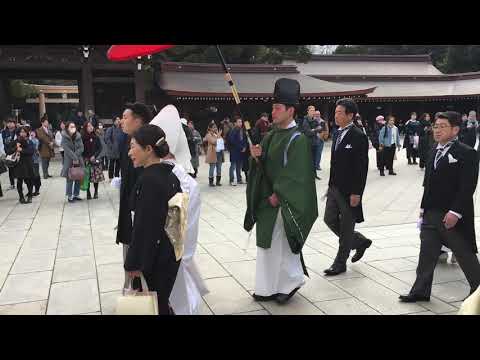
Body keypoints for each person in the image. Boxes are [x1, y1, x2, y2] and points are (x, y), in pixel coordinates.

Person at [245, 78, 318, 304]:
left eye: (277, 108)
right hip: (267, 200)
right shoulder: (271, 135)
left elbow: (298, 175)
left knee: (283, 244)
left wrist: (281, 194)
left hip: (281, 201)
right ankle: (266, 287)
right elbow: (261, 166)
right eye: (273, 107)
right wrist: (255, 156)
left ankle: (290, 282)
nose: (273, 112)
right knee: (266, 243)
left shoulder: (299, 139)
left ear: (291, 110)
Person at [399, 111, 480, 303]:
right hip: (431, 212)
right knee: (426, 252)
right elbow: (428, 183)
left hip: (452, 214)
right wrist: (422, 209)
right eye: (436, 126)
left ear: (455, 129)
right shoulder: (433, 150)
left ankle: (477, 291)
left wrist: (455, 212)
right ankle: (420, 290)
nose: (437, 130)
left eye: (443, 126)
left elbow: (467, 186)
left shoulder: (467, 153)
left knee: (463, 252)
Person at [150, 105, 209, 315]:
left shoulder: (179, 181)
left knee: (177, 283)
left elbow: (175, 235)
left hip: (170, 253)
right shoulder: (170, 176)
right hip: (170, 252)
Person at [124, 124, 182, 315]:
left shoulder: (149, 180)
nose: (129, 152)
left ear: (149, 149)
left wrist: (133, 264)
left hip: (154, 258)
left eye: (133, 146)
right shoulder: (169, 176)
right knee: (161, 303)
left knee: (154, 306)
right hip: (169, 253)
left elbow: (145, 227)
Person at [323, 98, 372, 276]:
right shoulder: (337, 133)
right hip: (335, 187)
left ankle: (340, 262)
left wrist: (356, 192)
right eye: (335, 112)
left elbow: (361, 168)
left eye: (339, 113)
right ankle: (359, 241)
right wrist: (329, 186)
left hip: (350, 190)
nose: (336, 116)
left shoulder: (358, 136)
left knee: (346, 227)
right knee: (329, 219)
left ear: (350, 115)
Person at [116, 102, 153, 289]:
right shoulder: (127, 141)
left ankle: (138, 292)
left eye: (125, 117)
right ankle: (131, 288)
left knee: (138, 254)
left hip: (141, 211)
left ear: (138, 120)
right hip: (128, 208)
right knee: (128, 249)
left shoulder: (148, 145)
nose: (121, 121)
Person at [6, 127, 35, 204]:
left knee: (29, 181)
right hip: (18, 164)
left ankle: (30, 196)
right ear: (18, 133)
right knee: (19, 181)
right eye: (21, 132)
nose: (23, 133)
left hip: (28, 163)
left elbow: (31, 151)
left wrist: (21, 150)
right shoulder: (15, 142)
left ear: (27, 133)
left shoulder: (29, 141)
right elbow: (8, 152)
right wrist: (16, 147)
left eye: (24, 132)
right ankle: (21, 197)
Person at [61, 121, 84, 203]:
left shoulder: (78, 135)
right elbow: (66, 148)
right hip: (69, 160)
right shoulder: (64, 136)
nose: (73, 128)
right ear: (67, 128)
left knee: (78, 177)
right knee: (70, 178)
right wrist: (74, 157)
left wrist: (76, 157)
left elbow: (81, 147)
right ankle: (69, 195)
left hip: (78, 160)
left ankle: (76, 194)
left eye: (74, 126)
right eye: (71, 126)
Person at [82, 121, 104, 200]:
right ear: (85, 128)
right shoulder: (83, 138)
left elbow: (100, 148)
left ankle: (96, 192)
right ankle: (88, 193)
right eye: (88, 126)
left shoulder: (96, 137)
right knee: (87, 176)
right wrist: (86, 157)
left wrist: (94, 156)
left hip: (95, 159)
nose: (90, 127)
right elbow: (81, 149)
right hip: (86, 159)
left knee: (96, 177)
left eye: (91, 125)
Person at [302, 108, 324, 180]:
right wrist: (315, 129)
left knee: (314, 160)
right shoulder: (305, 120)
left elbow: (321, 128)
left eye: (313, 111)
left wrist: (314, 130)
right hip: (308, 143)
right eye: (311, 110)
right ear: (308, 111)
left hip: (315, 142)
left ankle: (314, 175)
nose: (313, 112)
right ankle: (307, 176)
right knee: (308, 161)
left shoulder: (314, 120)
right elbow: (308, 132)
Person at [228, 116, 247, 186]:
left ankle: (239, 179)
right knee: (233, 165)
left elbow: (244, 139)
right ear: (235, 123)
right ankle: (231, 180)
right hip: (234, 151)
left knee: (239, 165)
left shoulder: (242, 130)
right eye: (239, 122)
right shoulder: (233, 130)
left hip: (241, 151)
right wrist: (241, 147)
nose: (240, 123)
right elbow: (233, 141)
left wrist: (245, 146)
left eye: (241, 122)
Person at [204, 122, 224, 187]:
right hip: (213, 153)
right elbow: (213, 142)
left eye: (215, 127)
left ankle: (218, 181)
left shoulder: (216, 134)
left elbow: (221, 141)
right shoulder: (208, 135)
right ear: (210, 128)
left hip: (219, 153)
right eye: (214, 127)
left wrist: (219, 136)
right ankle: (211, 182)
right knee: (212, 168)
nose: (215, 128)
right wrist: (218, 136)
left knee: (219, 168)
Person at [36, 115, 55, 179]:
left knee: (47, 161)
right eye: (46, 122)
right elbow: (42, 137)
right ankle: (45, 174)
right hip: (43, 148)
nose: (47, 123)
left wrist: (52, 142)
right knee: (44, 161)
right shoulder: (39, 130)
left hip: (49, 148)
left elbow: (52, 136)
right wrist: (49, 142)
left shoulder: (49, 129)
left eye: (47, 122)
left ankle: (47, 173)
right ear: (42, 123)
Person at [2, 118, 17, 189]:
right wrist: (4, 152)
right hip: (8, 152)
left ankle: (19, 183)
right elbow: (2, 142)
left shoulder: (17, 131)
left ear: (14, 123)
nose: (10, 124)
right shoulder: (4, 132)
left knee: (18, 168)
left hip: (17, 152)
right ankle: (12, 184)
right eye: (8, 123)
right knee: (10, 169)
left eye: (11, 122)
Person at [29, 129, 42, 196]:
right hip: (30, 160)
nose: (32, 134)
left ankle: (37, 189)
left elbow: (36, 149)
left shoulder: (36, 141)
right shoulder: (29, 140)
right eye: (31, 133)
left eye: (33, 133)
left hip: (35, 160)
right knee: (31, 175)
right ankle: (32, 190)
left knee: (36, 175)